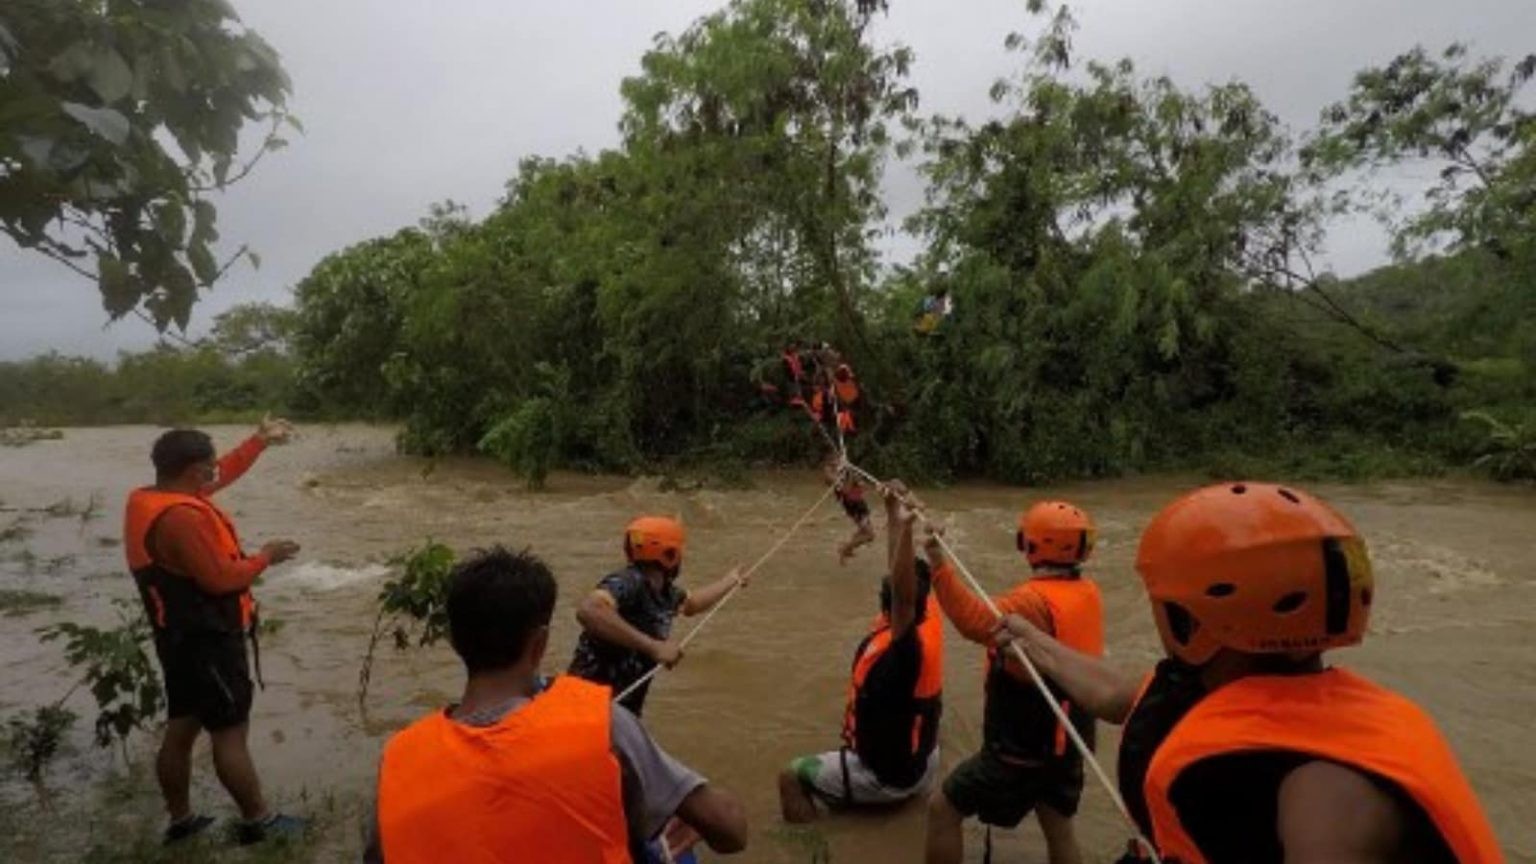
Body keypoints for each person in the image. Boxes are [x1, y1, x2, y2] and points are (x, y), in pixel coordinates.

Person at [995, 482, 1503, 864]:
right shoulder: (1224, 688)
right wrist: (1032, 641)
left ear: (1190, 619)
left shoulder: (1325, 786)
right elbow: (1123, 696)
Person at [366, 546, 749, 863]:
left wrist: (731, 580)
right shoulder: (601, 723)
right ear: (540, 644)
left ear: (454, 642)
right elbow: (731, 831)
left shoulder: (398, 757)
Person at [123, 415, 305, 845]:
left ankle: (181, 819)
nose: (214, 472)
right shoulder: (182, 519)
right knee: (230, 731)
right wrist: (266, 557)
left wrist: (258, 442)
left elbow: (225, 470)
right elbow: (221, 579)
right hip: (206, 640)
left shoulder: (154, 497)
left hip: (176, 637)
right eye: (208, 467)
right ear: (191, 471)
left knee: (182, 726)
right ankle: (258, 821)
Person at [925, 501, 1104, 864]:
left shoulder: (1031, 603)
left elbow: (973, 621)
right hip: (1068, 742)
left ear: (1031, 545)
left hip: (1024, 749)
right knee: (1060, 829)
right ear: (1082, 548)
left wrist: (937, 563)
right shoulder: (1087, 592)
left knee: (942, 810)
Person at [779, 480, 945, 821]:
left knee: (791, 776)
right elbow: (900, 579)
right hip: (925, 761)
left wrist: (908, 527)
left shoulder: (904, 647)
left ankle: (807, 848)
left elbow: (901, 593)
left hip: (890, 778)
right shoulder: (931, 618)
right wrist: (892, 513)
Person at [569, 516, 745, 716]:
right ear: (671, 555)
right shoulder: (629, 581)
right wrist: (654, 647)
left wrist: (730, 581)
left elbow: (692, 604)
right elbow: (589, 610)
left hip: (620, 712)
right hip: (586, 708)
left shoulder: (665, 592)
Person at [824, 452, 876, 564]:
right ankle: (845, 549)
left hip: (859, 502)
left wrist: (855, 477)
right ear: (831, 462)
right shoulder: (831, 474)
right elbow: (846, 491)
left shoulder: (843, 470)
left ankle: (847, 549)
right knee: (870, 535)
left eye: (839, 459)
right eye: (837, 460)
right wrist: (850, 474)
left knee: (863, 531)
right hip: (852, 505)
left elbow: (862, 485)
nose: (839, 461)